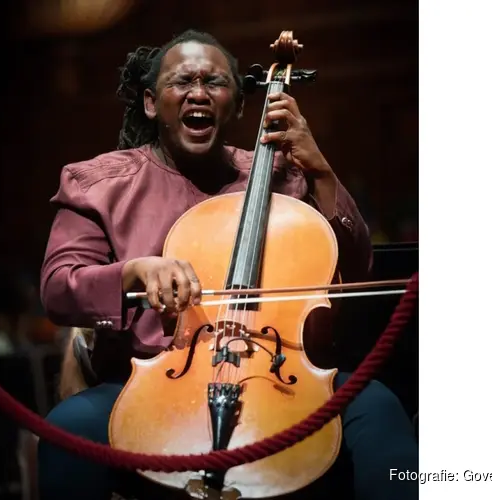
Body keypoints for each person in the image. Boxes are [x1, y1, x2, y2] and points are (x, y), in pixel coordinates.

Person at [36, 29, 418, 500]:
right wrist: (134, 271)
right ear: (152, 103)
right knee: (68, 429)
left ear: (238, 106)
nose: (198, 93)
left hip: (278, 372)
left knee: (380, 411)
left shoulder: (282, 180)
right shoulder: (98, 184)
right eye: (182, 82)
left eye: (215, 82)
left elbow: (354, 269)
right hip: (149, 383)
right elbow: (59, 288)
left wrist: (320, 171)